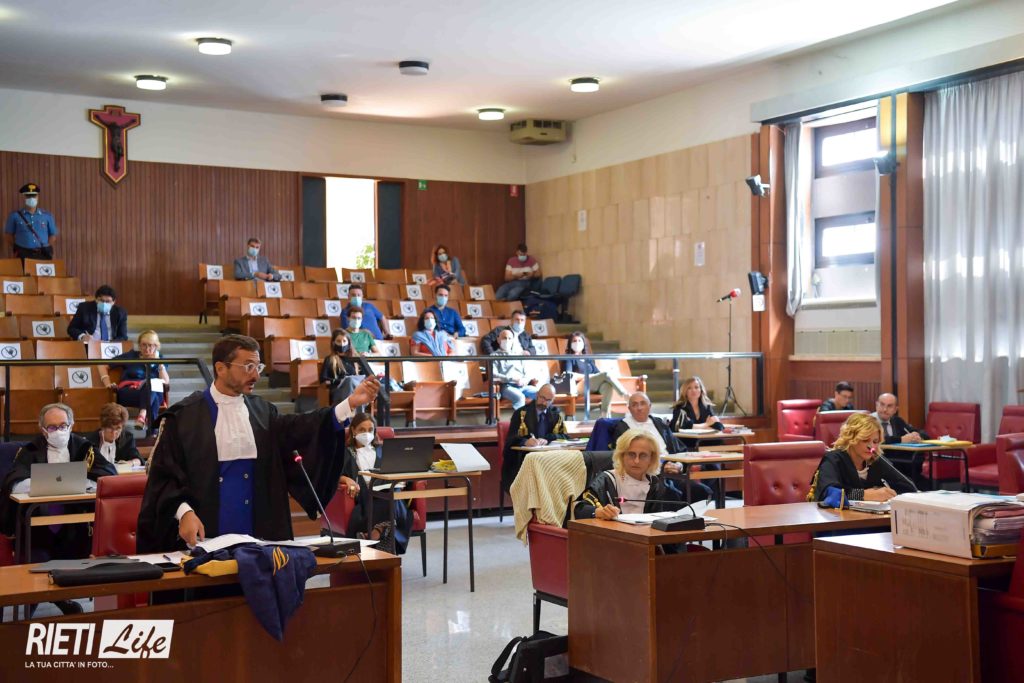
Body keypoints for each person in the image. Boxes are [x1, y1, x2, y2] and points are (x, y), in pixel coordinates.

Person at [137, 334, 381, 553]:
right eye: (248, 367)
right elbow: (164, 477)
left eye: (258, 366)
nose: (256, 375)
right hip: (204, 540)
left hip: (260, 537)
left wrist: (349, 404)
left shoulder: (263, 412)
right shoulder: (184, 418)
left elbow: (301, 427)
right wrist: (184, 512)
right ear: (220, 368)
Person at [0, 403, 116, 614]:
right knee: (36, 565)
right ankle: (29, 614)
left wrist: (80, 483)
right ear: (43, 429)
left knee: (76, 559)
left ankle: (63, 598)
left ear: (72, 425)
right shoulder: (30, 450)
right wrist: (41, 485)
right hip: (38, 530)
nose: (58, 431)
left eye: (63, 426)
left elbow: (108, 475)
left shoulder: (84, 448)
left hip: (76, 529)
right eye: (52, 427)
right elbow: (13, 481)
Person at [338, 413, 413, 554]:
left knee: (392, 493)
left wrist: (401, 479)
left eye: (370, 430)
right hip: (365, 496)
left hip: (388, 492)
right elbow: (333, 475)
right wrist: (347, 479)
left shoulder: (384, 450)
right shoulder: (346, 453)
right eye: (362, 429)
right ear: (353, 430)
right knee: (392, 500)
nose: (366, 433)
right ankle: (379, 535)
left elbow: (398, 469)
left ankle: (375, 532)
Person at [573, 429, 684, 520]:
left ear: (651, 458)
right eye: (631, 454)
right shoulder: (607, 480)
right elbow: (579, 509)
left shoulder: (655, 484)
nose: (636, 461)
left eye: (643, 455)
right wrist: (599, 512)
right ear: (622, 455)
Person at [807, 412, 916, 503]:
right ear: (851, 439)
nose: (871, 447)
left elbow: (908, 487)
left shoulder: (876, 460)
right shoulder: (833, 459)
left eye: (875, 441)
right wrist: (864, 495)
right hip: (835, 519)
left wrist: (888, 493)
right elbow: (831, 494)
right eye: (865, 440)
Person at [500, 384, 569, 491]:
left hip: (549, 462)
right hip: (523, 462)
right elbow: (511, 440)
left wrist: (548, 439)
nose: (544, 402)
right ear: (537, 395)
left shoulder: (555, 414)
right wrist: (525, 442)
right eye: (542, 398)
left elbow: (565, 436)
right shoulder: (521, 413)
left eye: (548, 400)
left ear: (553, 400)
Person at [101, 329, 169, 435]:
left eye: (150, 345)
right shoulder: (131, 356)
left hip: (150, 393)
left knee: (153, 385)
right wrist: (107, 383)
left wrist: (159, 363)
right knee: (154, 396)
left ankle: (143, 414)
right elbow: (103, 365)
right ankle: (152, 434)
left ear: (156, 346)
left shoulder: (160, 359)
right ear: (139, 345)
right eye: (144, 345)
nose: (147, 348)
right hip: (130, 392)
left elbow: (165, 382)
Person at [560, 331, 627, 418]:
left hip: (591, 385)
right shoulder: (568, 358)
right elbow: (569, 375)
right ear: (570, 344)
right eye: (574, 341)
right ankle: (625, 395)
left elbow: (598, 373)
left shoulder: (588, 359)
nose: (577, 343)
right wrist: (587, 376)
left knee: (607, 386)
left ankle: (604, 415)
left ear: (583, 343)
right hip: (578, 386)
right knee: (606, 374)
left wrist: (593, 377)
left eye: (579, 341)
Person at [872, 392, 931, 489]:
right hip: (877, 461)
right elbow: (875, 440)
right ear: (876, 405)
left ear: (895, 409)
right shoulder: (869, 421)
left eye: (889, 406)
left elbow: (921, 433)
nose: (885, 409)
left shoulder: (897, 421)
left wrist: (917, 436)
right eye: (882, 404)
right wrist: (901, 439)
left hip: (899, 464)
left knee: (923, 483)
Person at [4, 182, 57, 261]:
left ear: (38, 197)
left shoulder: (47, 216)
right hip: (22, 253)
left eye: (34, 195)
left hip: (42, 254)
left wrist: (45, 246)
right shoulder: (14, 216)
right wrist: (18, 247)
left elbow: (53, 235)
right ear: (25, 197)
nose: (31, 198)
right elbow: (8, 236)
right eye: (28, 196)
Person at [320, 328, 374, 404]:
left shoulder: (356, 359)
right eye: (338, 341)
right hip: (338, 390)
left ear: (348, 343)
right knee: (349, 381)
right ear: (333, 343)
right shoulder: (330, 359)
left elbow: (365, 376)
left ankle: (353, 409)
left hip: (356, 389)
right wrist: (341, 381)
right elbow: (323, 379)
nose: (342, 344)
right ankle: (352, 409)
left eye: (344, 341)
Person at [669, 376, 725, 450]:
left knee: (718, 441)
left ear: (701, 390)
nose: (693, 390)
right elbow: (682, 427)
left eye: (696, 387)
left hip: (703, 441)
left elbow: (719, 426)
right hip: (686, 443)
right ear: (685, 391)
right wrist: (706, 424)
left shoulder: (706, 407)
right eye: (689, 388)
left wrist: (694, 426)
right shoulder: (680, 408)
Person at [490, 328, 540, 410]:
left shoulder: (518, 354)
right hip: (507, 386)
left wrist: (525, 380)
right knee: (520, 397)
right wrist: (512, 379)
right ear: (498, 340)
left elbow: (527, 371)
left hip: (523, 385)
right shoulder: (494, 355)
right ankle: (521, 418)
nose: (507, 340)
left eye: (509, 338)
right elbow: (494, 374)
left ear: (513, 340)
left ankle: (538, 416)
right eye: (504, 338)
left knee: (541, 394)